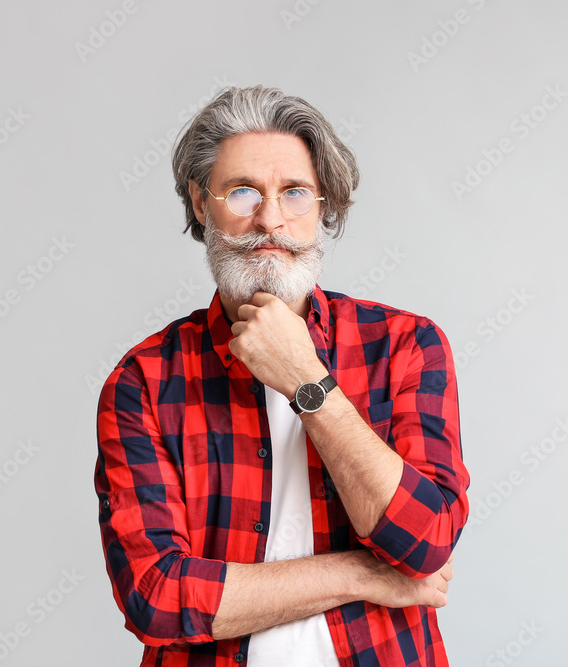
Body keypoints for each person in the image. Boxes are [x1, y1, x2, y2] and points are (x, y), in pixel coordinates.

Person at [95, 85, 470, 666]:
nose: (270, 219)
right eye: (242, 191)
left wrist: (307, 382)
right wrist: (364, 574)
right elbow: (158, 599)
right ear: (201, 203)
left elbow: (425, 541)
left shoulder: (405, 345)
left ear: (323, 206)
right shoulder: (145, 380)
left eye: (294, 192)